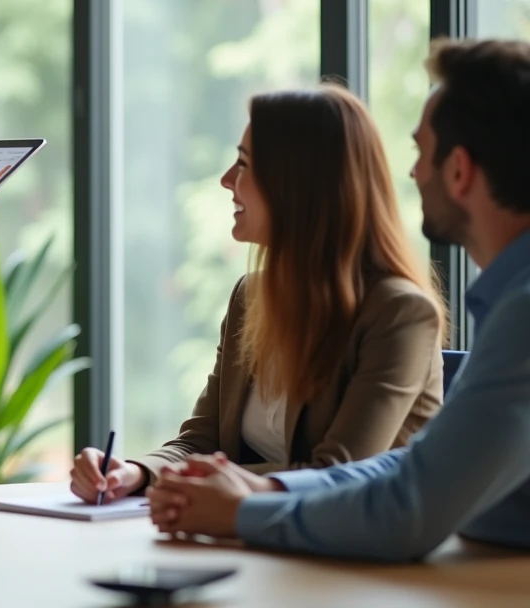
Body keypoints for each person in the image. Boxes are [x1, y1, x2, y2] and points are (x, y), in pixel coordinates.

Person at [146, 38, 530, 561]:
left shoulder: (510, 314)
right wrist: (256, 489)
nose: (412, 172)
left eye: (421, 152)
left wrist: (238, 507)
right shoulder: (508, 305)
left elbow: (406, 508)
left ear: (459, 170)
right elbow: (411, 468)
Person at [72, 84, 446, 505]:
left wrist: (204, 482)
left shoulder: (400, 313)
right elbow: (202, 438)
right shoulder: (251, 296)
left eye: (245, 164)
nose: (227, 180)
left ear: (298, 186)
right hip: (255, 539)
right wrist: (134, 472)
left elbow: (340, 473)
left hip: (357, 558)